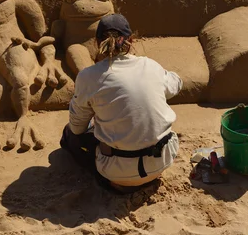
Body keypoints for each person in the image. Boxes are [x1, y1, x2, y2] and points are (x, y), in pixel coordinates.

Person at [59, 13, 183, 193]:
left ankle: (107, 180)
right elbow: (176, 83)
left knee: (69, 135)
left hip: (118, 173)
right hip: (163, 160)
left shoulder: (88, 76)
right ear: (131, 41)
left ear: (96, 42)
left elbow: (77, 128)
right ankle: (144, 176)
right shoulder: (150, 66)